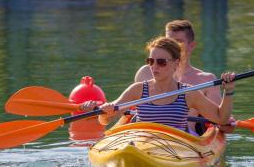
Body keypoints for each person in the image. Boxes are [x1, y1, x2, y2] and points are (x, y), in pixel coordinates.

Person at [97, 36, 235, 132]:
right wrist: (106, 111)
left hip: (175, 148)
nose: (154, 66)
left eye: (161, 62)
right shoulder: (137, 90)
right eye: (151, 61)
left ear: (176, 63)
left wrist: (228, 91)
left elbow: (221, 119)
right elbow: (104, 121)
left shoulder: (189, 93)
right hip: (142, 145)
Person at [134, 19, 235, 133]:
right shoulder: (145, 72)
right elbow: (131, 111)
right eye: (168, 41)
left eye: (178, 42)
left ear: (191, 46)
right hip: (143, 137)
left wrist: (226, 123)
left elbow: (221, 121)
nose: (171, 46)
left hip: (184, 139)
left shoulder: (206, 79)